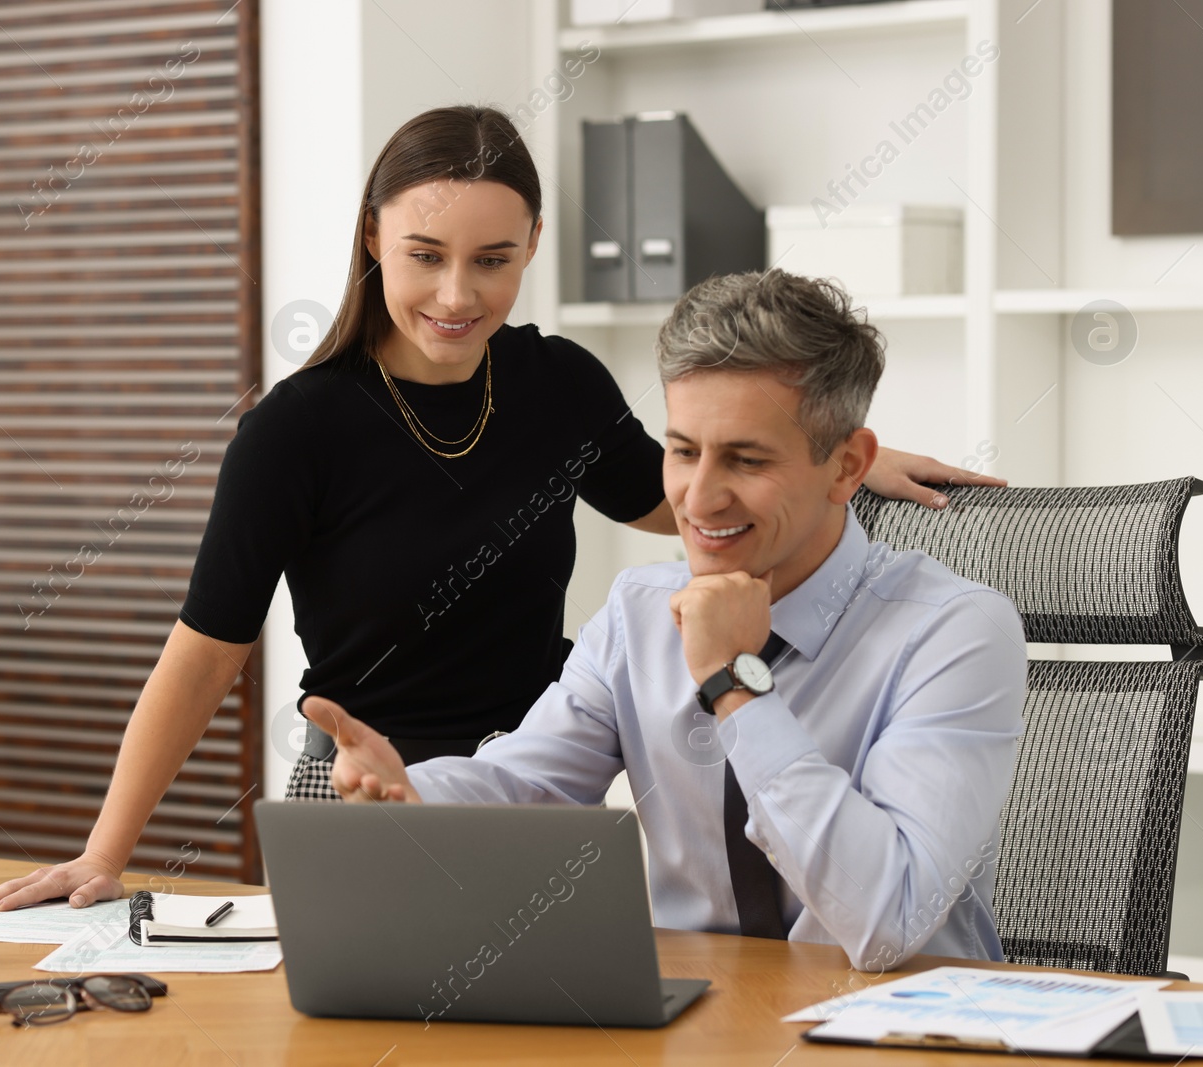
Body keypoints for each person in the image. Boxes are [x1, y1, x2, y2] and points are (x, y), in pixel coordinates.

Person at [0, 106, 1004, 915]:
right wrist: (106, 854)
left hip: (536, 773)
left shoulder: (553, 383)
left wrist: (830, 466)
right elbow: (203, 651)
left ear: (533, 244)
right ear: (373, 239)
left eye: (492, 259)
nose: (457, 294)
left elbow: (668, 494)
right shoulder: (298, 428)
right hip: (374, 779)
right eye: (424, 254)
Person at [302, 269, 1028, 972]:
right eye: (682, 452)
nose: (698, 499)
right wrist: (413, 794)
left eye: (745, 460)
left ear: (846, 468)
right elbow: (528, 786)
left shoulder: (956, 632)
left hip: (899, 1038)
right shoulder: (637, 613)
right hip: (696, 1026)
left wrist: (737, 682)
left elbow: (889, 921)